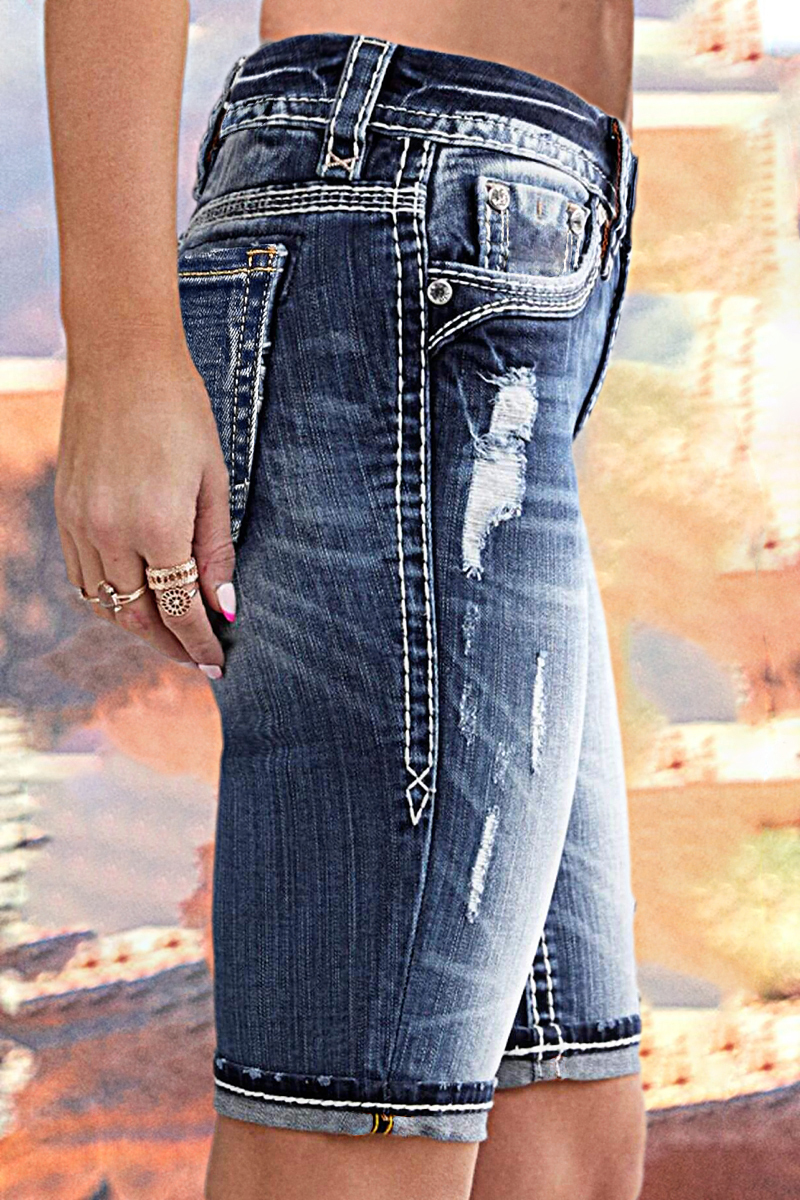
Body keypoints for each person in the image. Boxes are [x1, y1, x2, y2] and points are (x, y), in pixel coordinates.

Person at [44, 1, 645, 1198]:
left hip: (519, 256)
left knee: (559, 1137)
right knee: (350, 1147)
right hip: (399, 228)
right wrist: (116, 349)